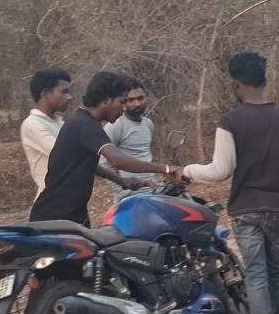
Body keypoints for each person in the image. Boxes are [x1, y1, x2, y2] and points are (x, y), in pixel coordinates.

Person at [184, 52, 279, 314]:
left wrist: (188, 170)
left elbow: (220, 170)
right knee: (277, 271)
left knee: (255, 274)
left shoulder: (231, 121)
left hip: (246, 209)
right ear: (264, 80)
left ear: (236, 85)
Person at [29, 71, 177, 227]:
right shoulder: (84, 124)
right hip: (54, 218)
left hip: (73, 215)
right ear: (106, 100)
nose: (124, 108)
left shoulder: (84, 121)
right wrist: (165, 169)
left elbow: (88, 165)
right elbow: (117, 160)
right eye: (122, 102)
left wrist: (120, 180)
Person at [20, 68, 73, 201]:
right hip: (51, 203)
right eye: (64, 92)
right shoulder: (33, 124)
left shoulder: (59, 123)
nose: (69, 97)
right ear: (46, 93)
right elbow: (66, 155)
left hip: (70, 200)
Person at [102, 77, 157, 201]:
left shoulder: (148, 124)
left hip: (152, 192)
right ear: (123, 102)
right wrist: (121, 192)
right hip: (130, 197)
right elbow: (104, 162)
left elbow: (145, 156)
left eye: (140, 98)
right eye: (130, 100)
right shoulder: (115, 126)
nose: (137, 103)